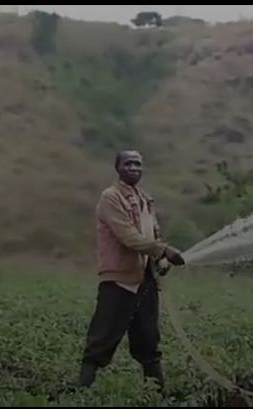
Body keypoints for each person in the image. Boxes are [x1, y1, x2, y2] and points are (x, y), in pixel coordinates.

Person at [77, 150, 185, 391]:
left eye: (138, 164)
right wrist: (164, 250)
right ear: (118, 168)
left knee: (148, 340)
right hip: (119, 279)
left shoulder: (146, 199)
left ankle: (158, 394)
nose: (134, 168)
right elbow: (128, 237)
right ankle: (79, 392)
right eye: (128, 163)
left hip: (145, 279)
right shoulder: (111, 197)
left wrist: (161, 261)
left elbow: (154, 233)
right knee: (102, 338)